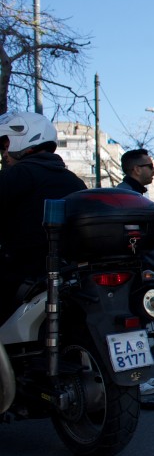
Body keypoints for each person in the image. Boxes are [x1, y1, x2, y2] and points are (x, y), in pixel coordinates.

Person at [0, 112, 87, 322]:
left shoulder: (16, 176)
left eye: (5, 145)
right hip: (69, 274)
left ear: (21, 139)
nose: (3, 154)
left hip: (23, 275)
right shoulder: (74, 181)